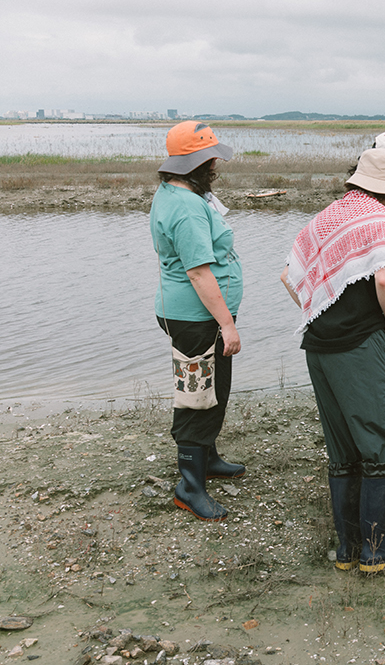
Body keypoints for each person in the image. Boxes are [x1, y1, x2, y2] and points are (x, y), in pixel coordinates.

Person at [281, 148, 385, 574]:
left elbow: (290, 275)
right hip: (360, 347)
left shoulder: (326, 217)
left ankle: (347, 551)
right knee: (380, 440)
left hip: (319, 347)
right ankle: (378, 551)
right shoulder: (381, 220)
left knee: (343, 447)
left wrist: (319, 312)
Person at [151, 121, 243, 523]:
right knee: (199, 396)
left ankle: (207, 458)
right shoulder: (186, 208)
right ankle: (190, 485)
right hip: (196, 316)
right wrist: (227, 324)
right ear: (195, 162)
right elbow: (199, 273)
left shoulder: (178, 192)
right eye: (210, 159)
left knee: (213, 388)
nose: (216, 165)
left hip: (193, 313)